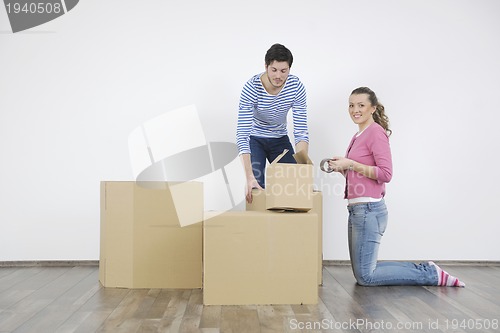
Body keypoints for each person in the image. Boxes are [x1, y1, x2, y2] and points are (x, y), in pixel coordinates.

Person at [326, 87, 465, 287]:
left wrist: (350, 164)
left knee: (366, 277)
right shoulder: (358, 136)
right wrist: (342, 168)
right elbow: (360, 173)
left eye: (361, 105)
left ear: (372, 108)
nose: (355, 110)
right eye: (351, 105)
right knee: (364, 273)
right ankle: (428, 270)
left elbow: (385, 173)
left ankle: (431, 274)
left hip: (369, 210)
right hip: (358, 209)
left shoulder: (375, 132)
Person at [236, 43, 309, 203]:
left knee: (295, 184)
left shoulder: (296, 87)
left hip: (279, 139)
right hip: (255, 139)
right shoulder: (251, 87)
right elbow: (242, 134)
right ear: (266, 66)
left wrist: (303, 170)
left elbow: (301, 131)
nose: (278, 76)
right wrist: (249, 177)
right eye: (274, 70)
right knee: (256, 188)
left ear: (289, 69)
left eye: (284, 71)